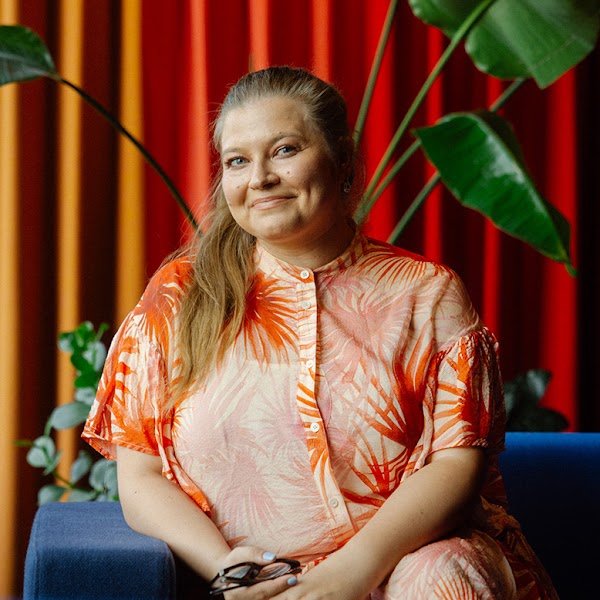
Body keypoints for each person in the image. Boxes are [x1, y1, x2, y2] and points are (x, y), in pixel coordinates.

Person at [83, 66, 558, 599]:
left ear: (343, 163)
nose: (259, 177)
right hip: (251, 586)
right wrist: (229, 568)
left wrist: (353, 572)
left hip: (406, 569)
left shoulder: (427, 293)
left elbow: (457, 461)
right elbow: (141, 475)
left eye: (284, 150)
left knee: (443, 574)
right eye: (238, 161)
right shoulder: (176, 297)